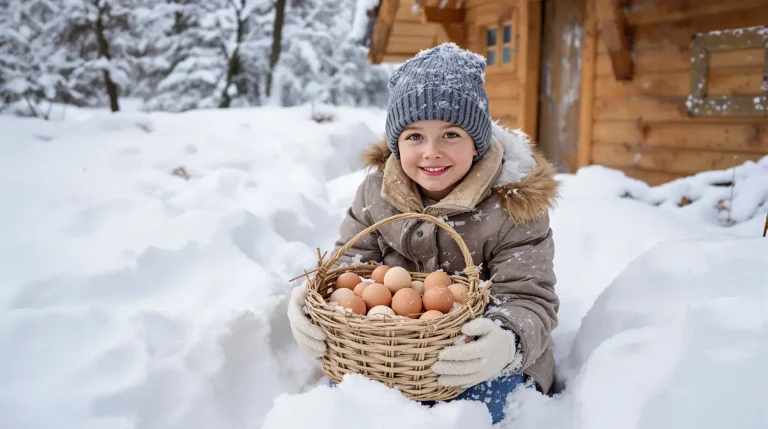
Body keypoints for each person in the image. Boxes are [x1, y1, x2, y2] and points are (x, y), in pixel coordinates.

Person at [286, 42, 559, 424]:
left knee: (474, 413)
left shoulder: (514, 205)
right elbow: (349, 268)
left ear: (477, 143)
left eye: (451, 134)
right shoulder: (375, 192)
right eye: (414, 136)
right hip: (389, 353)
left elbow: (531, 297)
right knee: (350, 407)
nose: (431, 151)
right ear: (396, 141)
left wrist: (507, 343)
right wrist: (313, 305)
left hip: (475, 357)